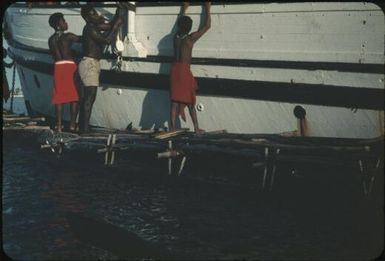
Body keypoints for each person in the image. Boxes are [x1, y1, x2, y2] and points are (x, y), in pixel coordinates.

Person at [78, 4, 126, 134]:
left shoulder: (93, 27)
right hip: (89, 64)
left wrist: (118, 15)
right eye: (94, 14)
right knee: (89, 98)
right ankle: (84, 130)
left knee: (87, 98)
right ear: (88, 18)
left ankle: (83, 128)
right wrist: (116, 26)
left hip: (91, 64)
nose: (97, 15)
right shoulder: (89, 29)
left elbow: (109, 26)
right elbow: (106, 40)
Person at [170, 1, 211, 134]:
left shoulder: (175, 38)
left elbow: (178, 24)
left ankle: (172, 129)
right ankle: (196, 128)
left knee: (175, 102)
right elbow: (207, 26)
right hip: (183, 71)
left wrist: (184, 8)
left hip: (174, 70)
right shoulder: (190, 39)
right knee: (190, 101)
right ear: (190, 28)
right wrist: (207, 8)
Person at [48, 12, 81, 132]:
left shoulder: (51, 40)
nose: (66, 22)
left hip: (58, 67)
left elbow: (56, 53)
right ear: (58, 25)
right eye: (63, 21)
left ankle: (59, 125)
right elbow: (83, 39)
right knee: (74, 97)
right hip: (69, 66)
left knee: (59, 98)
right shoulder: (68, 36)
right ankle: (72, 124)